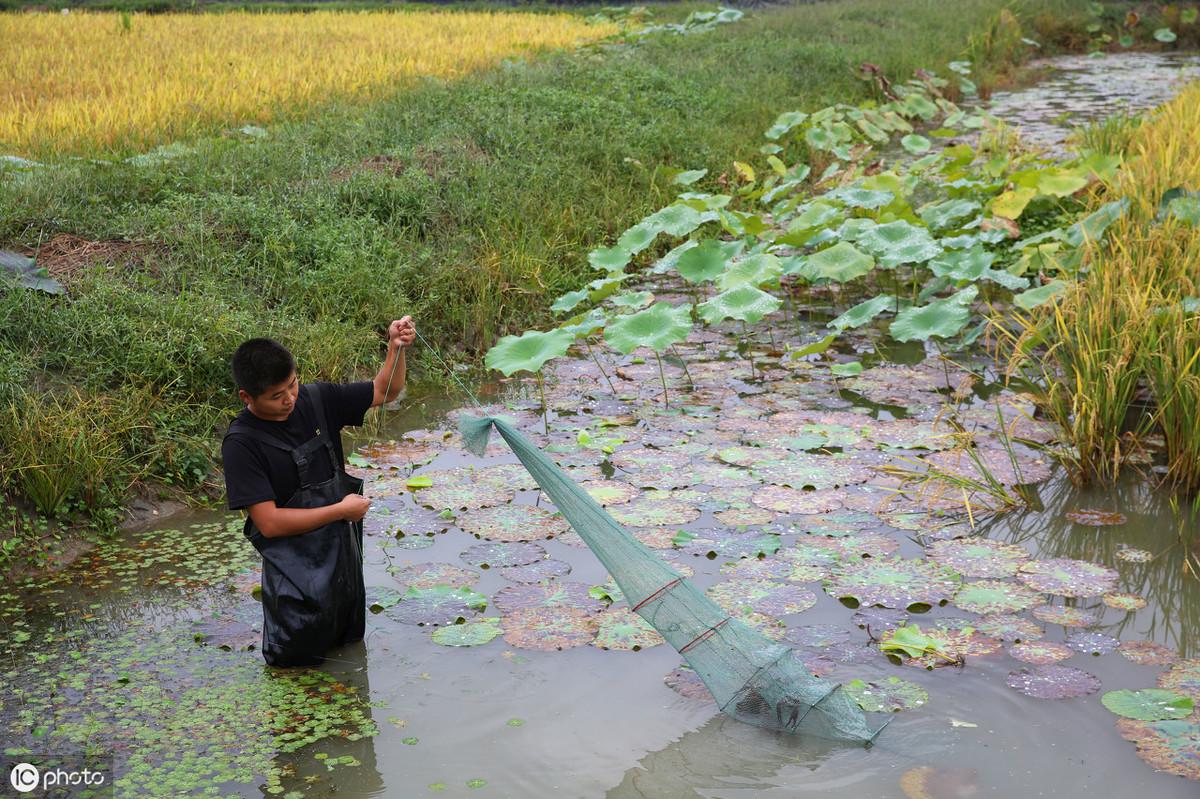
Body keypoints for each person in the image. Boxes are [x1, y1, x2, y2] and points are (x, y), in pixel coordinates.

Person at [222, 317, 416, 667]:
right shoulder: (242, 444)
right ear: (246, 396)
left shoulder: (317, 399)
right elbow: (269, 523)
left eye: (292, 385)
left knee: (352, 670)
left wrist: (395, 349)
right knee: (298, 675)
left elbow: (385, 390)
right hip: (295, 589)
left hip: (344, 574)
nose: (289, 399)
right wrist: (340, 511)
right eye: (277, 396)